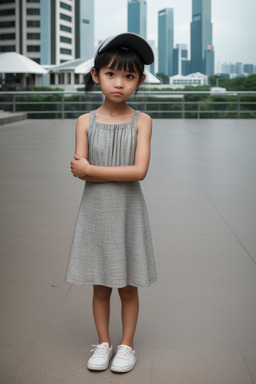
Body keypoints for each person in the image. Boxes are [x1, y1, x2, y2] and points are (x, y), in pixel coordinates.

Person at [65, 33, 157, 373]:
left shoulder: (142, 121)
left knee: (129, 286)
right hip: (96, 213)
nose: (119, 83)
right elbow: (79, 171)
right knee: (100, 285)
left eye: (129, 76)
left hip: (128, 212)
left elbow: (140, 171)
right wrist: (91, 171)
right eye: (111, 74)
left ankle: (127, 345)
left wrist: (91, 170)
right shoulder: (84, 122)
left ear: (140, 80)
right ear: (96, 75)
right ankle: (103, 343)